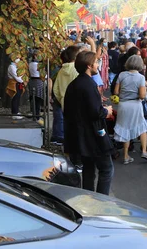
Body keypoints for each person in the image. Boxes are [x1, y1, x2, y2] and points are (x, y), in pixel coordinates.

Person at [63, 51, 114, 195]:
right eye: (96, 62)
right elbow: (94, 113)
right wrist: (106, 111)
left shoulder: (73, 85)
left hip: (79, 135)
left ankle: (88, 199)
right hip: (94, 135)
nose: (98, 64)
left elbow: (69, 111)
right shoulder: (89, 84)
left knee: (88, 170)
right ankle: (101, 200)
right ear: (89, 65)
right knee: (106, 169)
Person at [113, 55, 147, 164]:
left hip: (123, 104)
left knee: (125, 128)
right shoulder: (140, 77)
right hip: (135, 104)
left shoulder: (122, 75)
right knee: (142, 126)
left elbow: (116, 91)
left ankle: (126, 155)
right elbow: (141, 95)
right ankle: (144, 151)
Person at [28, 56, 44, 125]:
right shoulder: (38, 65)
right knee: (38, 99)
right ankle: (37, 116)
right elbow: (44, 75)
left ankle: (34, 113)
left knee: (33, 98)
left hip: (32, 81)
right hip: (38, 81)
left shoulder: (30, 64)